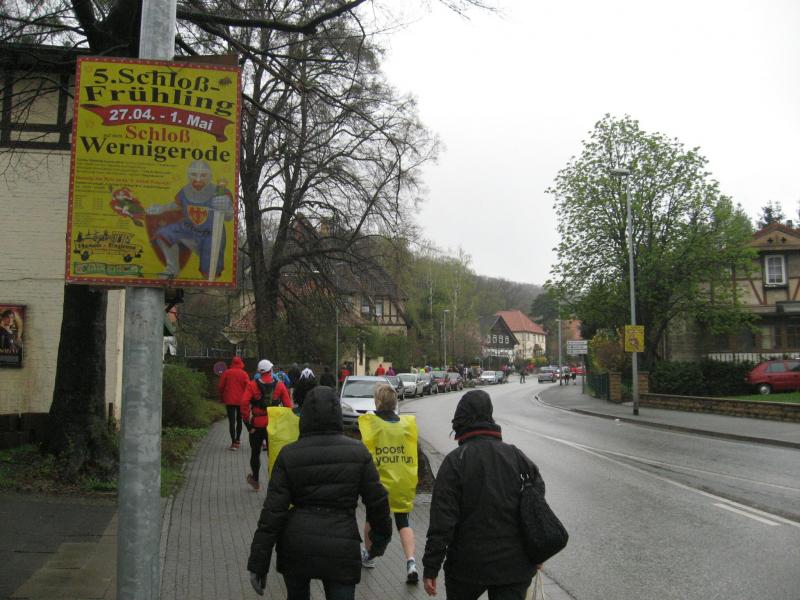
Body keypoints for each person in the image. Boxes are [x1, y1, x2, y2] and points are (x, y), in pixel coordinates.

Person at [247, 386, 393, 600]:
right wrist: (379, 541)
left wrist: (259, 563)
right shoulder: (358, 452)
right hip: (341, 546)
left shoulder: (288, 455)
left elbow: (272, 512)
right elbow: (377, 502)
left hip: (296, 545)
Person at [422, 389, 545, 600]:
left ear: (461, 420)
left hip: (467, 567)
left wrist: (431, 568)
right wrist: (537, 551)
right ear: (490, 417)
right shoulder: (516, 457)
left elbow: (442, 522)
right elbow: (535, 507)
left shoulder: (455, 462)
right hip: (514, 566)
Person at [360, 385, 419, 583]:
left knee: (371, 519)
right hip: (402, 481)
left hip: (379, 485)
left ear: (378, 401)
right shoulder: (406, 424)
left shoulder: (371, 423)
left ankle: (369, 557)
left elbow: (366, 453)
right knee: (404, 523)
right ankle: (411, 563)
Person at [146, 160, 233, 279]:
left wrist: (226, 207)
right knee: (164, 234)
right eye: (194, 174)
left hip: (210, 234)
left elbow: (228, 217)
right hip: (188, 229)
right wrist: (161, 208)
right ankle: (172, 269)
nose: (198, 179)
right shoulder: (185, 191)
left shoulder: (221, 192)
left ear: (210, 176)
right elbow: (177, 204)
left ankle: (209, 282)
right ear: (188, 175)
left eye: (203, 175)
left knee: (211, 271)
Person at [240, 359, 293, 491]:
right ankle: (274, 483)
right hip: (274, 426)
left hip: (256, 425)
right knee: (273, 455)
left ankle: (256, 480)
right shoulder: (280, 386)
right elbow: (288, 406)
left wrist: (247, 424)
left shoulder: (252, 385)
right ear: (270, 370)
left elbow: (244, 403)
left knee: (255, 453)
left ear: (259, 371)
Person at [217, 356, 250, 450]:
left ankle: (233, 442)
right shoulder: (244, 374)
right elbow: (248, 387)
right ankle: (238, 440)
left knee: (231, 421)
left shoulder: (226, 373)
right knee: (239, 420)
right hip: (241, 401)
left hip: (229, 400)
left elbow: (220, 386)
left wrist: (222, 395)